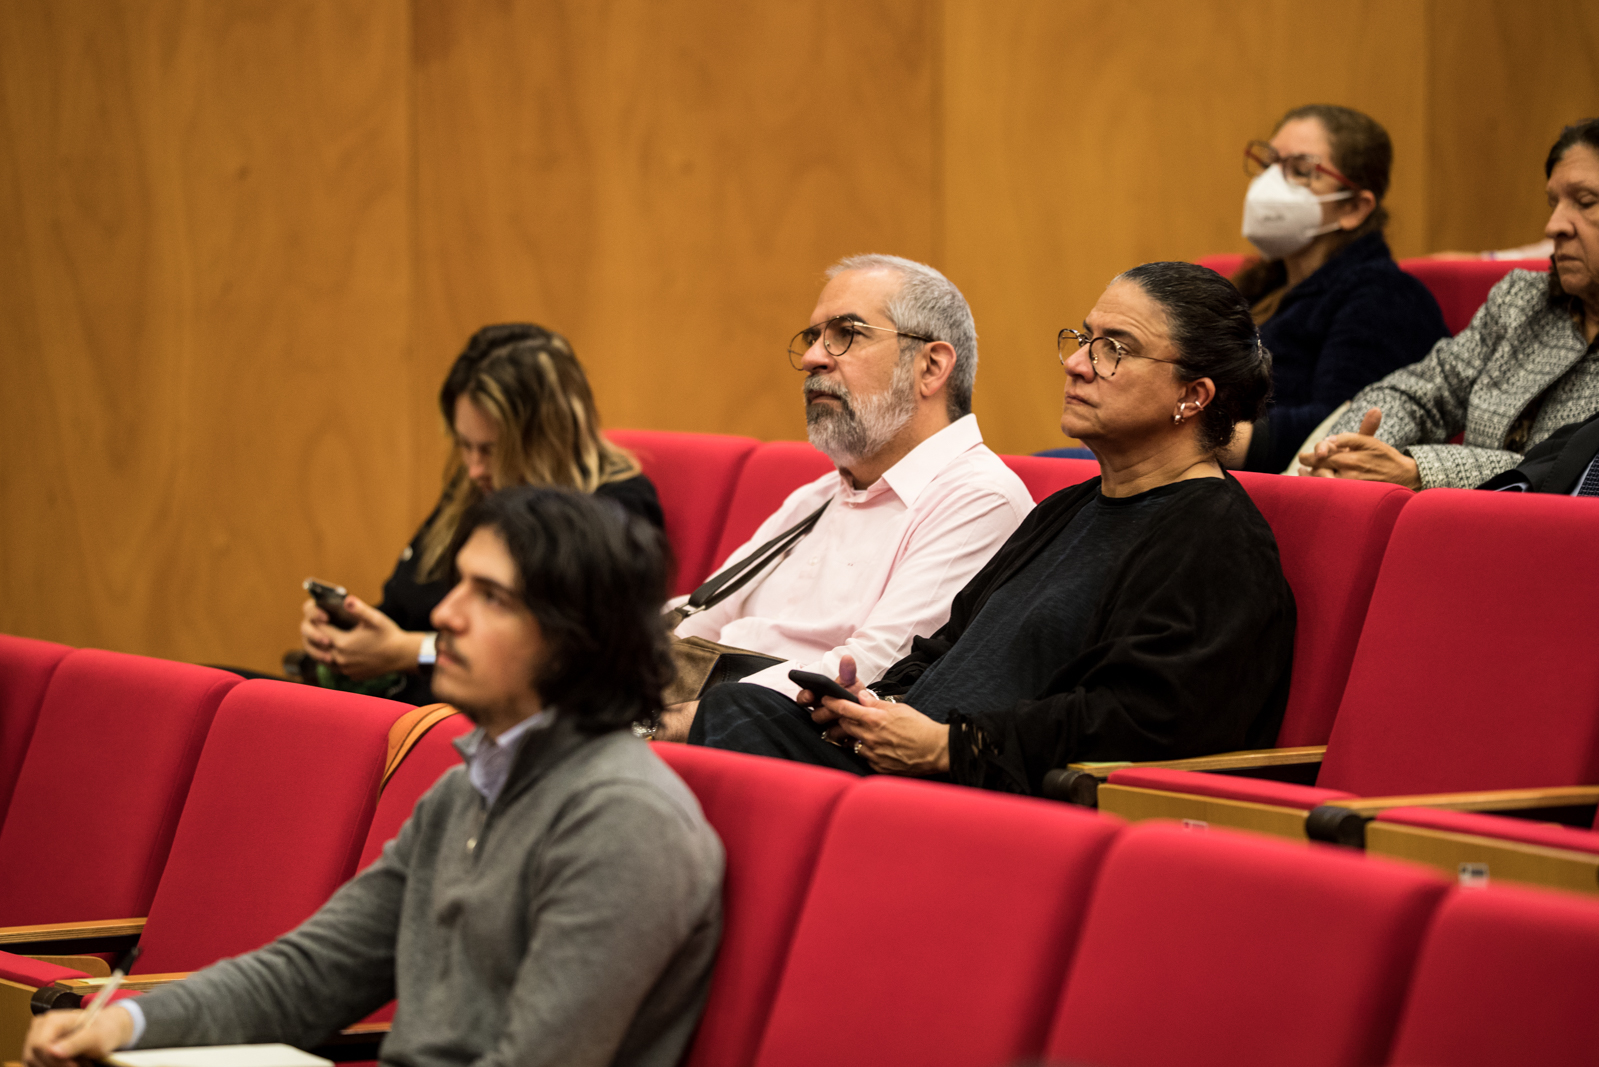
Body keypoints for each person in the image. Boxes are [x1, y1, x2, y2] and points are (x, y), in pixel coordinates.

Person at [25, 487, 723, 1067]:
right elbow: (309, 974)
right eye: (458, 584)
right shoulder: (467, 790)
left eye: (489, 596)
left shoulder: (626, 821)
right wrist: (126, 1024)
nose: (445, 613)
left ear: (575, 639)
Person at [690, 262, 1297, 795]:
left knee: (734, 718)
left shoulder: (1215, 539)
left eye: (1114, 348)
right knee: (738, 708)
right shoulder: (1070, 507)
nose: (1076, 362)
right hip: (912, 765)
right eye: (1084, 338)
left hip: (996, 791)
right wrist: (873, 704)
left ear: (1192, 396)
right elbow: (948, 645)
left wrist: (950, 745)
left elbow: (1145, 721)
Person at [656, 254, 1033, 741]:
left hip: (783, 746)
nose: (814, 357)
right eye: (813, 338)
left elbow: (869, 670)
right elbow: (698, 622)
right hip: (704, 726)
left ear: (932, 366)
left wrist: (662, 723)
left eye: (845, 334)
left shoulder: (980, 500)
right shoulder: (816, 496)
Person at [300, 325, 662, 703]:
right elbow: (402, 606)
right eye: (465, 446)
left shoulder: (609, 511)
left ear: (547, 438)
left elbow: (568, 660)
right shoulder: (479, 487)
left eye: (490, 450)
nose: (474, 468)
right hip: (393, 703)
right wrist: (346, 632)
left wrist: (408, 652)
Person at [1299, 118, 1599, 488]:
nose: (1554, 225)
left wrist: (1418, 470)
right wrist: (1351, 449)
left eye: (1585, 202)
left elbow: (1571, 471)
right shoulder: (1523, 300)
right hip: (1461, 527)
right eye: (1553, 203)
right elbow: (1419, 390)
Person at [1226, 104, 1448, 473]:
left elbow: (1338, 422)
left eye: (1300, 171)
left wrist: (1192, 437)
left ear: (1355, 209)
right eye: (1269, 165)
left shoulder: (1385, 298)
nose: (1269, 185)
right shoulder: (1261, 285)